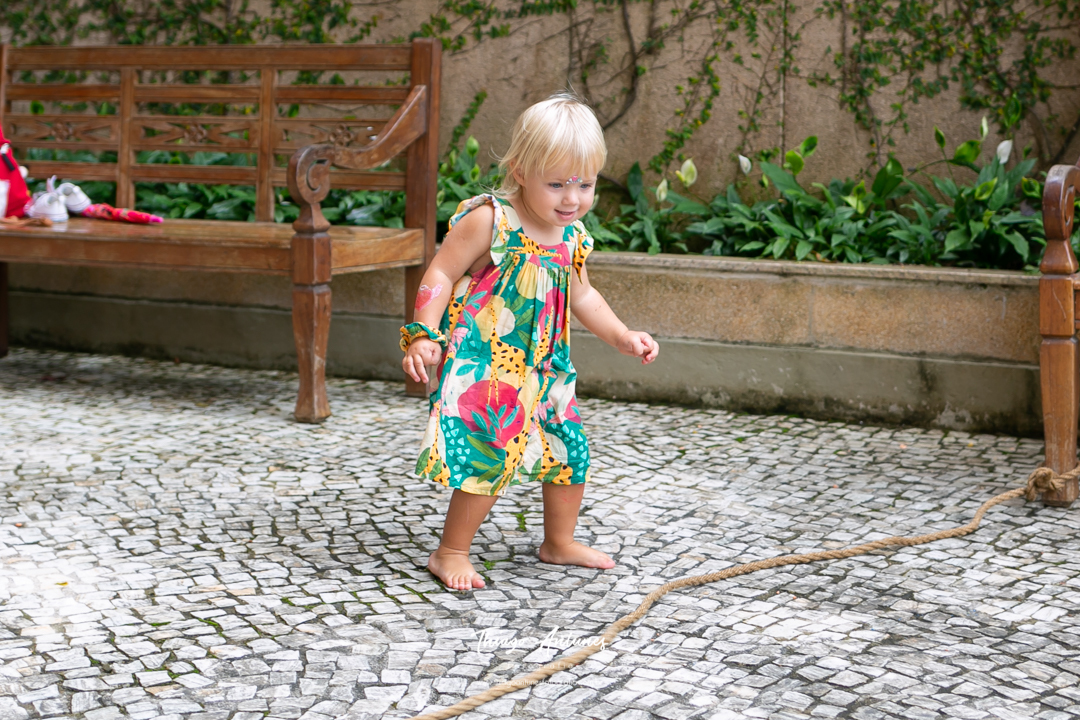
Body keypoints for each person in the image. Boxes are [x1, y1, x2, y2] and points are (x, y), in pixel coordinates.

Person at [400, 94, 659, 591]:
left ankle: (557, 542)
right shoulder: (491, 220)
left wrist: (622, 335)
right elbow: (440, 271)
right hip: (489, 364)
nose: (572, 198)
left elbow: (583, 295)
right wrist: (423, 335)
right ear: (520, 170)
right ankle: (450, 550)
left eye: (585, 184)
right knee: (489, 453)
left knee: (570, 450)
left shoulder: (572, 237)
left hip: (547, 366)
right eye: (557, 184)